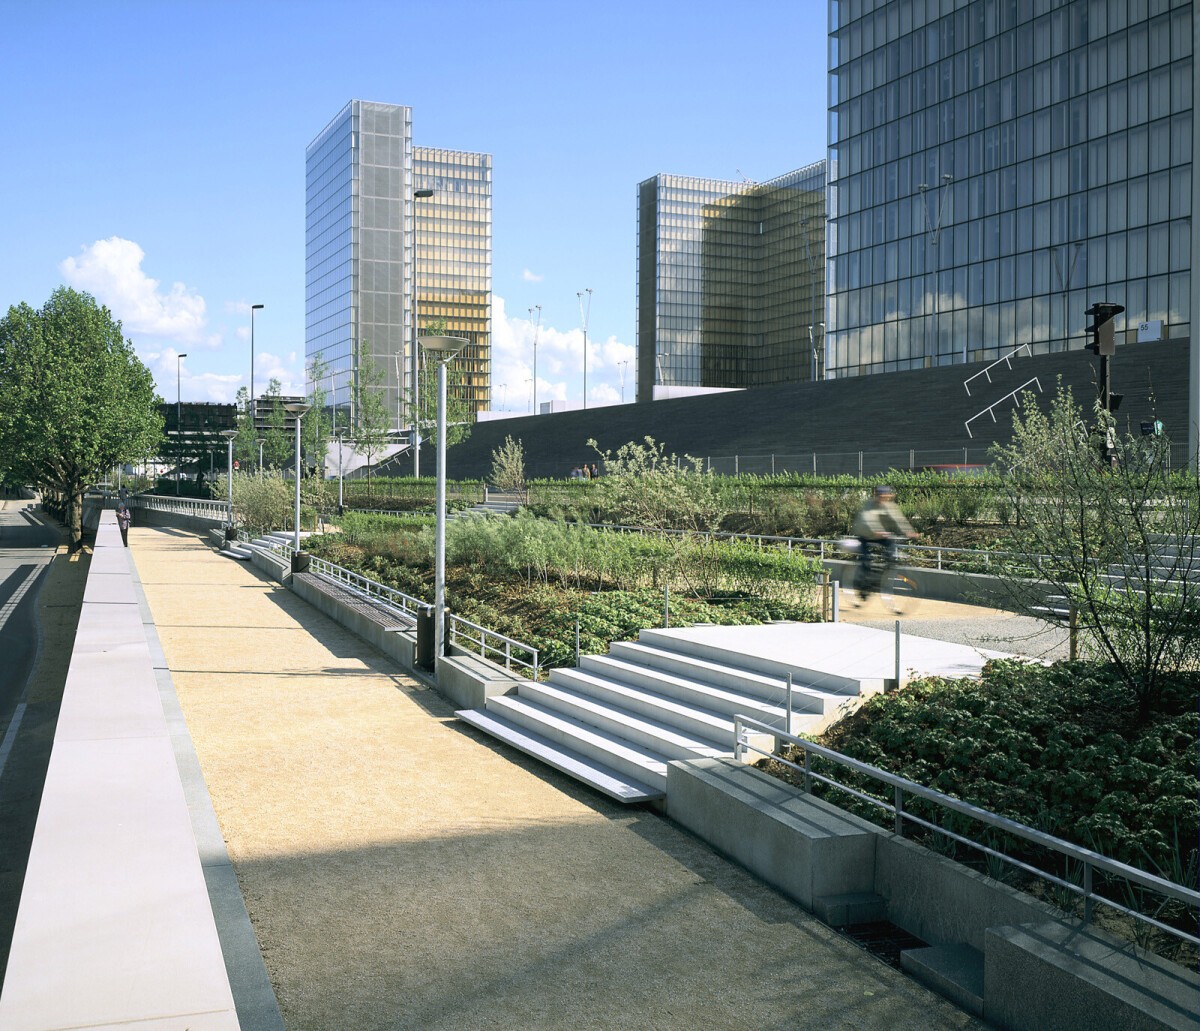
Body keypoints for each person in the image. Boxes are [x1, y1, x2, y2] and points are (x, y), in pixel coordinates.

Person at [851, 485, 915, 598]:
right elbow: (868, 519)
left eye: (886, 497)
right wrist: (876, 531)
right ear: (876, 496)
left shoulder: (890, 506)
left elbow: (899, 519)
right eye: (881, 497)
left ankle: (888, 565)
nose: (884, 500)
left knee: (891, 546)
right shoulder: (869, 506)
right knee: (866, 560)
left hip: (880, 535)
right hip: (865, 535)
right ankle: (863, 586)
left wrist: (908, 531)